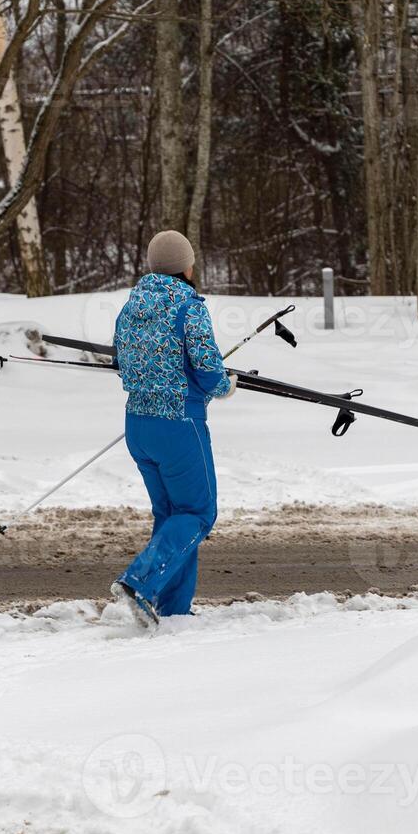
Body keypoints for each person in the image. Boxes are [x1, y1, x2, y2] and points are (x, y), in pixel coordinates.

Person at [110, 229, 235, 626]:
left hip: (138, 426)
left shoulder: (130, 307)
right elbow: (207, 366)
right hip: (179, 424)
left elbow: (120, 361)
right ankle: (139, 582)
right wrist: (225, 385)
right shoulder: (188, 305)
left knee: (172, 517)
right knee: (198, 513)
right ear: (186, 265)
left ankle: (171, 609)